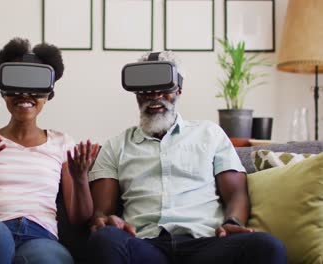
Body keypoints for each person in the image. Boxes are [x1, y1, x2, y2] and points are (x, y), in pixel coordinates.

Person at [87, 51, 287, 264]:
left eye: (164, 88)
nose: (154, 95)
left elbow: (237, 193)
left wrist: (233, 221)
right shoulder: (115, 146)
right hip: (144, 245)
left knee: (267, 246)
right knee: (104, 239)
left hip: (206, 244)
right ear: (136, 93)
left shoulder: (210, 134)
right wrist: (105, 222)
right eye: (146, 88)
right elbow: (101, 212)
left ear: (179, 90)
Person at [0, 37, 98, 264]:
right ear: (4, 92)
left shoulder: (61, 142)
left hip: (40, 237)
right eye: (17, 84)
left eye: (35, 86)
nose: (25, 94)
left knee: (49, 259)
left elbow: (79, 218)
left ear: (48, 94)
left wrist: (81, 177)